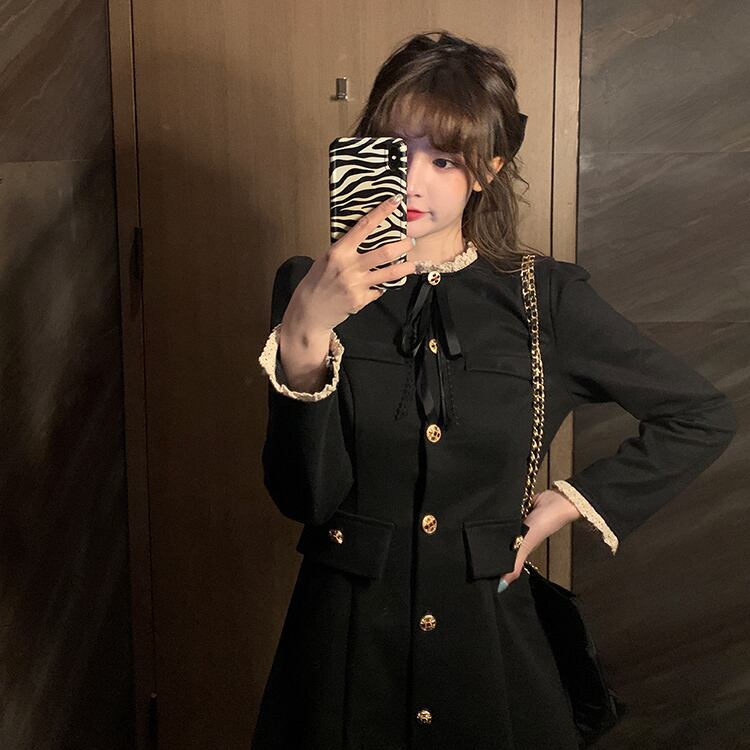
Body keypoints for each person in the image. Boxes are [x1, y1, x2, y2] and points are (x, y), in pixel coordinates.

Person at [252, 30, 736, 750]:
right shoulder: (308, 285)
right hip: (341, 650)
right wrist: (305, 335)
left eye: (444, 159)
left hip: (490, 644)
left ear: (488, 168)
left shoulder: (547, 299)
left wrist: (565, 505)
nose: (414, 180)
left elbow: (699, 414)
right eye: (397, 149)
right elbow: (306, 498)